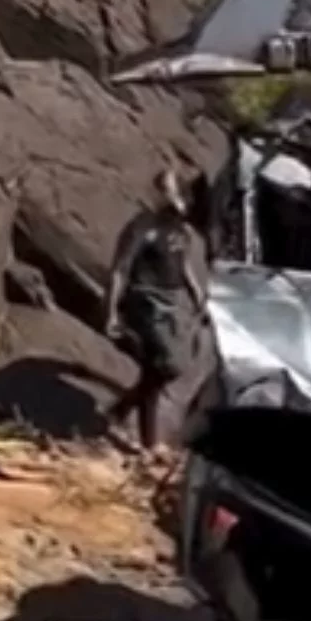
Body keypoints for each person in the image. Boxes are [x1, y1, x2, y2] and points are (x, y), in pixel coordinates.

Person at [101, 168, 207, 456]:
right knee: (169, 365)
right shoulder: (142, 227)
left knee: (154, 372)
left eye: (173, 190)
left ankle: (133, 427)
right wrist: (111, 311)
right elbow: (120, 269)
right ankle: (130, 424)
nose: (170, 197)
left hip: (171, 304)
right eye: (164, 190)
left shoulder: (180, 231)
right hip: (143, 302)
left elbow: (182, 265)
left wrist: (196, 294)